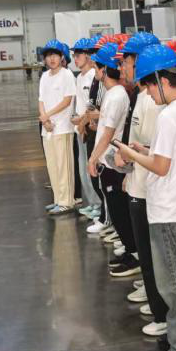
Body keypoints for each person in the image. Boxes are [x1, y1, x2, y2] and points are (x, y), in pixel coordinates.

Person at [116, 44, 176, 351]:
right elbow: (172, 155)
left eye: (150, 87)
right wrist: (146, 149)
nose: (149, 94)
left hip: (170, 210)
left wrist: (130, 153)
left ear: (162, 81)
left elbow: (162, 167)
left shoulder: (169, 115)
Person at [118, 33, 168, 335]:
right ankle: (155, 299)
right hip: (138, 182)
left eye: (126, 62)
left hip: (149, 188)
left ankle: (161, 312)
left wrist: (130, 157)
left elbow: (152, 149)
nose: (122, 68)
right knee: (148, 254)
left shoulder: (153, 102)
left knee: (153, 255)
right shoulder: (141, 97)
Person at [87, 40, 140, 277]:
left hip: (112, 162)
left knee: (120, 211)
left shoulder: (117, 95)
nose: (94, 71)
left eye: (96, 67)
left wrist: (93, 158)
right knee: (118, 211)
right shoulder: (112, 94)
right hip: (108, 160)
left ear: (103, 69)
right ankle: (131, 250)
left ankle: (134, 254)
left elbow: (108, 133)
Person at [38, 40, 77, 215]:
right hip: (47, 128)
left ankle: (67, 201)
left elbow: (67, 100)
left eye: (55, 55)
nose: (52, 59)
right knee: (52, 165)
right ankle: (57, 199)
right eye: (48, 56)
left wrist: (48, 115)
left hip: (62, 127)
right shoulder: (45, 76)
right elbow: (41, 100)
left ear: (62, 57)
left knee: (64, 166)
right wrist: (44, 119)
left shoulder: (66, 75)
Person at [71, 38, 102, 222]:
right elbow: (80, 103)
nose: (75, 59)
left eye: (78, 55)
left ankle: (98, 204)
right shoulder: (79, 77)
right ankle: (92, 202)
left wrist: (82, 122)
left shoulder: (93, 76)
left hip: (89, 127)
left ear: (88, 56)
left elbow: (92, 105)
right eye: (74, 56)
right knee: (83, 169)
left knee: (92, 167)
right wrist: (77, 120)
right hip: (80, 127)